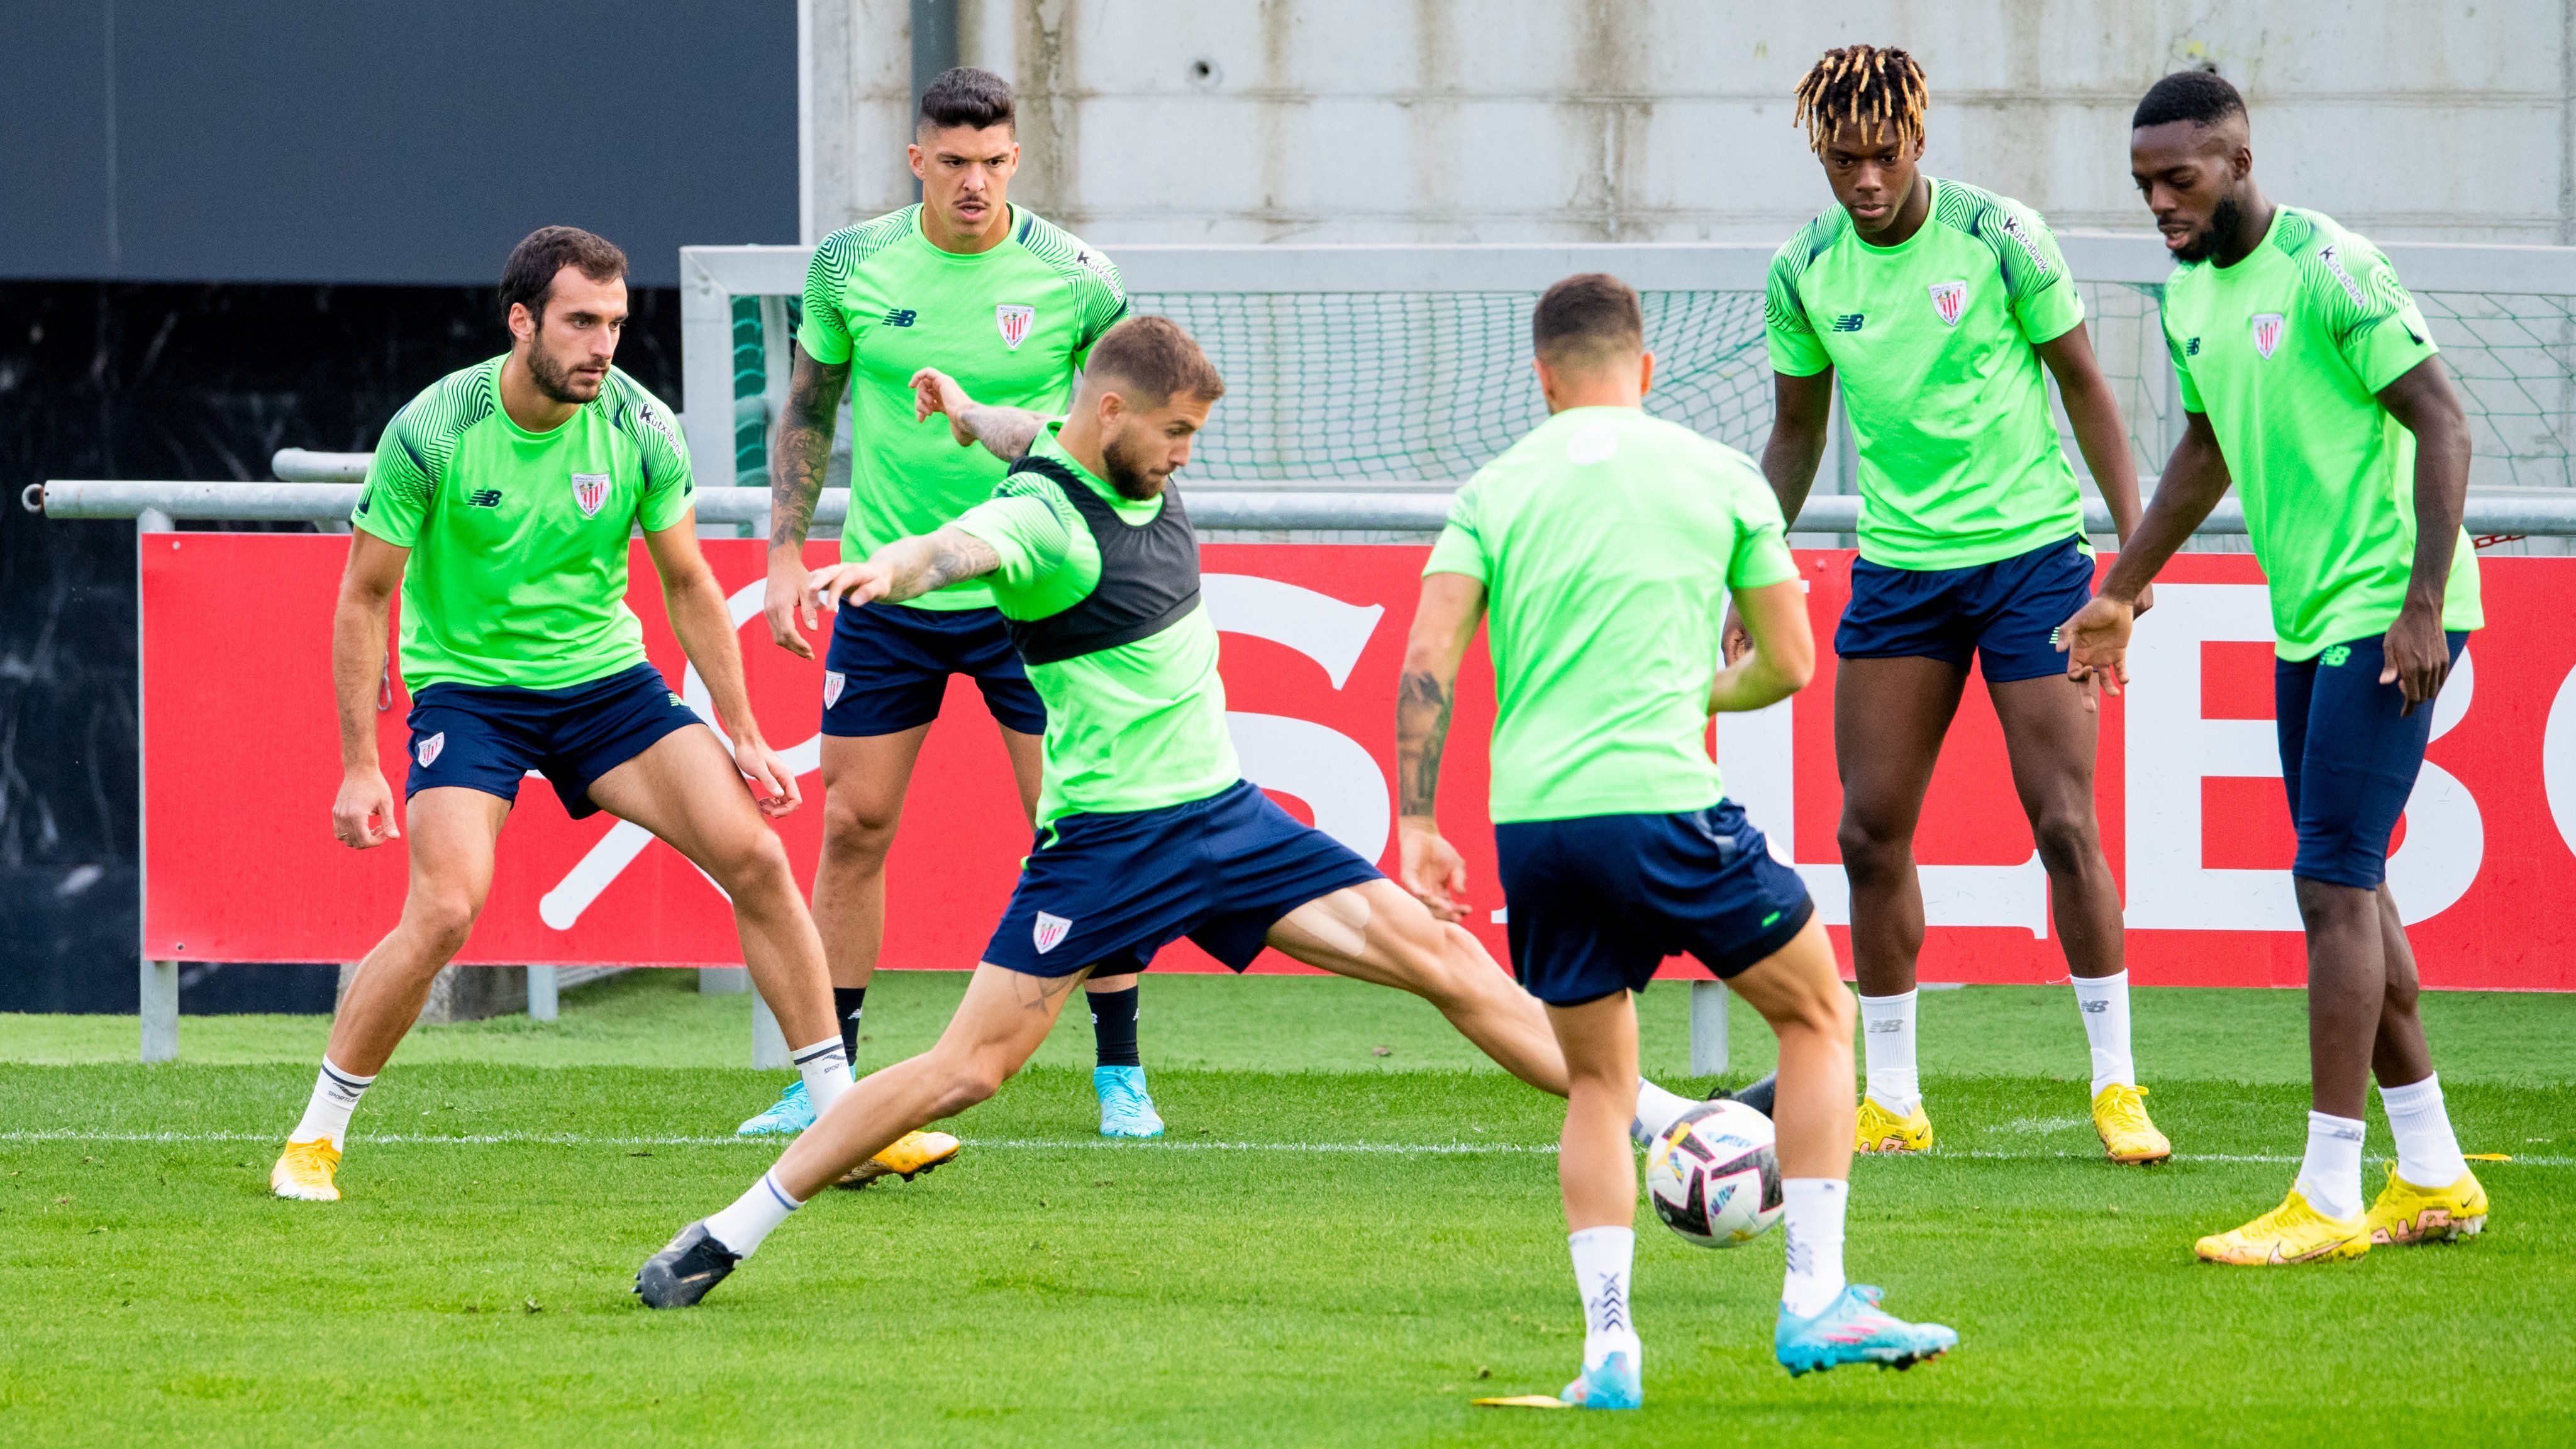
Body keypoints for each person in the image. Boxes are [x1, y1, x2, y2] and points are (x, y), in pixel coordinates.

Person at [633, 316, 1704, 1308]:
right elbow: (968, 544)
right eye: (1178, 431)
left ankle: (1674, 1124)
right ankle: (729, 1229)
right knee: (968, 1071)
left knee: (1446, 962)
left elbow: (1027, 435)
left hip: (1229, 821)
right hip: (1105, 849)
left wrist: (966, 416)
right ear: (1115, 415)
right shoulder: (1043, 519)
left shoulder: (1115, 461)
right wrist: (894, 569)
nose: (1188, 451)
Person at [1396, 274, 1958, 1398]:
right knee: (1817, 1012)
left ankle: (1610, 1354)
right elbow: (1792, 664)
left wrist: (1414, 821)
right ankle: (1813, 1302)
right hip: (1662, 803)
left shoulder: (1496, 488)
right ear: (1645, 372)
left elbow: (1428, 664)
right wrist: (1700, 690)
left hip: (1538, 823)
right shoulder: (1719, 477)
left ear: (1544, 379)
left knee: (1601, 1083)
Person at [271, 227, 874, 1201]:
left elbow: (687, 580)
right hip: (470, 696)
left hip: (607, 689)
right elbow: (363, 597)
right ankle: (315, 1138)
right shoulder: (433, 428)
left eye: (617, 324)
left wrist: (744, 729)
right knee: (445, 910)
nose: (604, 345)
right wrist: (358, 764)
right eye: (581, 322)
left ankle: (843, 1115)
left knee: (757, 856)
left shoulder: (641, 426)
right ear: (523, 322)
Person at [2063, 70, 2489, 1263]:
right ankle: (2438, 1174)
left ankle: (2332, 1194)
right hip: (2304, 618)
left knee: (2333, 885)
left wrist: (2421, 609)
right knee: (2351, 886)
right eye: (2144, 182)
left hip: (2387, 611)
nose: (2159, 200)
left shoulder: (2329, 267)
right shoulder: (2190, 293)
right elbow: (2204, 447)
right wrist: (2121, 590)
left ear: (2238, 162)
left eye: (2179, 178)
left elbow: (2445, 421)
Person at [1753, 44, 2169, 1163]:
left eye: (1882, 157)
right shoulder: (1803, 270)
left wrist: (2128, 565)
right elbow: (1797, 433)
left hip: (2030, 562)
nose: (1864, 183)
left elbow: (2086, 385)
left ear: (1918, 140)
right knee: (1866, 832)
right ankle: (1893, 1095)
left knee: (2063, 824)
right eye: (1842, 161)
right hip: (1899, 572)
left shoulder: (1999, 235)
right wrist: (1745, 561)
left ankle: (2118, 1086)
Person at [743, 65, 1158, 1148]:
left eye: (993, 162)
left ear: (1016, 160)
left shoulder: (1079, 278)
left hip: (1036, 586)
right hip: (886, 587)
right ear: (918, 159)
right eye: (954, 161)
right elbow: (808, 406)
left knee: (1077, 827)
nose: (974, 182)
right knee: (851, 825)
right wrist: (785, 551)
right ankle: (828, 1082)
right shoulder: (850, 266)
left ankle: (1121, 1073)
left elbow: (1113, 432)